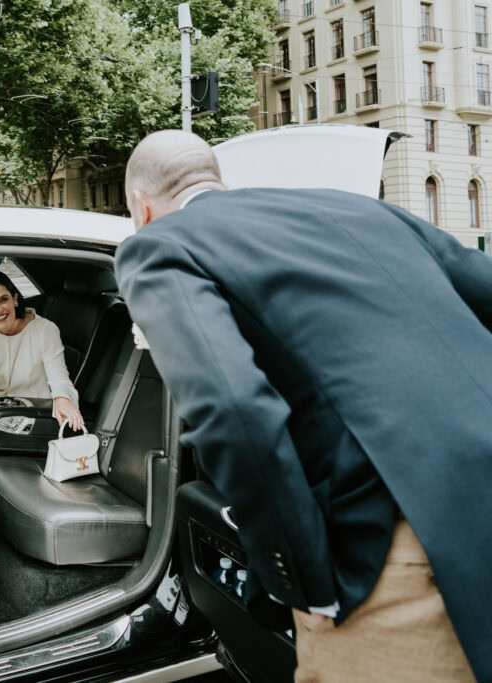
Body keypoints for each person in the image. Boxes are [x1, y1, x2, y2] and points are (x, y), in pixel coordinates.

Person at [114, 129, 491, 681]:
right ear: (218, 180)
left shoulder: (159, 244)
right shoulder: (362, 209)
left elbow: (234, 409)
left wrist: (301, 576)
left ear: (142, 209)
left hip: (397, 549)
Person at [0, 270, 83, 430]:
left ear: (15, 299)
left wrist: (63, 398)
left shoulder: (45, 330)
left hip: (30, 413)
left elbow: (59, 380)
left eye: (3, 300)